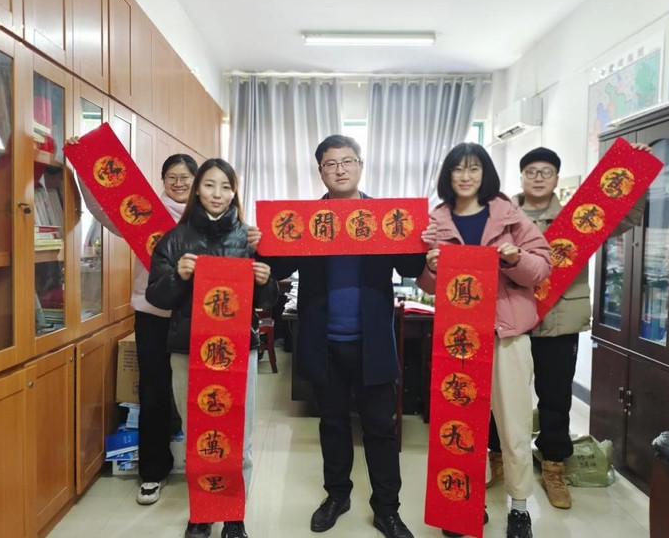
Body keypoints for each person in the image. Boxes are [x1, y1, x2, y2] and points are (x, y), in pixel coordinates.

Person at [248, 134, 436, 538]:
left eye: (347, 161)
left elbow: (409, 266)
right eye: (330, 163)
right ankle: (337, 496)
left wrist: (424, 239)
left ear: (360, 166)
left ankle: (387, 509)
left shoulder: (383, 217)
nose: (340, 169)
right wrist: (261, 245)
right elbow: (278, 267)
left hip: (373, 343)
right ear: (320, 171)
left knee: (380, 429)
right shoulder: (306, 220)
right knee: (332, 424)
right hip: (323, 341)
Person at [489, 145, 648, 510]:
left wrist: (637, 174)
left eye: (546, 172)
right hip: (512, 321)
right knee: (502, 397)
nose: (538, 178)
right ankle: (497, 458)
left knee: (556, 397)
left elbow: (626, 217)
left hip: (560, 321)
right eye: (531, 172)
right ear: (521, 177)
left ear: (556, 178)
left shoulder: (579, 215)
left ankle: (554, 466)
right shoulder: (501, 216)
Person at [416, 142, 551, 538]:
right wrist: (429, 267)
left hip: (506, 335)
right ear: (448, 175)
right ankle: (463, 505)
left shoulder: (509, 216)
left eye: (473, 168)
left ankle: (520, 509)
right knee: (460, 425)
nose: (465, 176)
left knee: (514, 426)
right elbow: (425, 284)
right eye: (458, 169)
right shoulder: (436, 222)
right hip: (458, 340)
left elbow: (541, 269)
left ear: (485, 173)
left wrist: (514, 258)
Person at [146, 158, 278, 538]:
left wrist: (266, 280)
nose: (217, 194)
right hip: (189, 352)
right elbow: (157, 297)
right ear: (197, 190)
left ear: (234, 193)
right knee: (198, 436)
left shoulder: (250, 239)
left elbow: (268, 301)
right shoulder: (175, 239)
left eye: (225, 186)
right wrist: (178, 275)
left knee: (239, 437)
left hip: (238, 352)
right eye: (209, 185)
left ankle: (234, 516)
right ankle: (202, 513)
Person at [66, 136, 196, 505]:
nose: (178, 183)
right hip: (152, 314)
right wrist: (83, 166)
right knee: (153, 392)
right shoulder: (145, 209)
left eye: (185, 177)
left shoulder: (207, 216)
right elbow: (103, 211)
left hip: (194, 316)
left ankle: (202, 468)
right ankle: (153, 472)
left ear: (196, 181)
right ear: (162, 180)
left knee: (196, 392)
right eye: (171, 177)